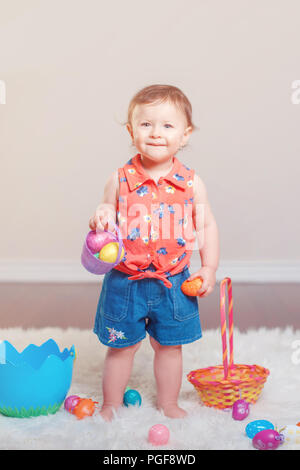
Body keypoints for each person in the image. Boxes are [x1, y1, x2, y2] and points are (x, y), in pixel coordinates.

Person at [89, 84, 219, 421]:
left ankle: (169, 403)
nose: (156, 133)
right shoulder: (120, 179)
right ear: (131, 132)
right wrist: (102, 214)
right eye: (146, 124)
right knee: (120, 347)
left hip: (173, 281)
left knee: (169, 347)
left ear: (185, 134)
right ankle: (111, 404)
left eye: (167, 125)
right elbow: (105, 207)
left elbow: (205, 227)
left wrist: (209, 268)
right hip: (125, 281)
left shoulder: (191, 183)